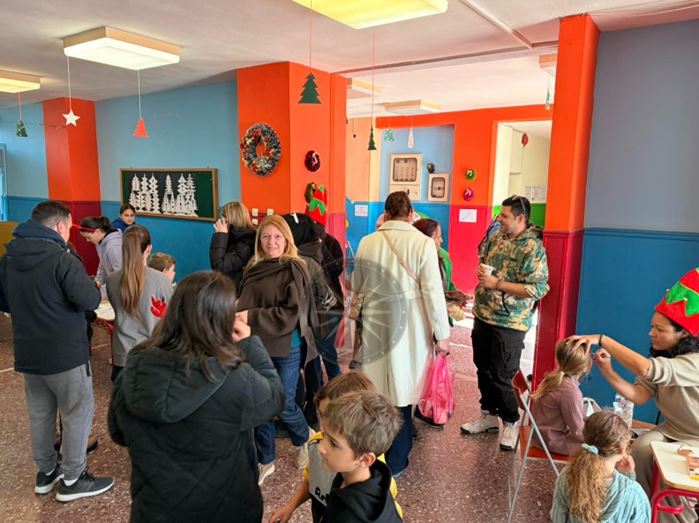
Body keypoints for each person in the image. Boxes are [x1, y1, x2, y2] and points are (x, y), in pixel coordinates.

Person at [108, 271, 284, 522]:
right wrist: (249, 344)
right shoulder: (234, 378)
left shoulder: (132, 372)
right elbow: (274, 399)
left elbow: (119, 433)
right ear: (222, 318)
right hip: (226, 509)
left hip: (156, 509)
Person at [0, 200, 114, 501]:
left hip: (28, 352)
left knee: (40, 413)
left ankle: (47, 472)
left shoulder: (9, 258)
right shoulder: (62, 259)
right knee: (77, 412)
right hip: (66, 354)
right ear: (60, 226)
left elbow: (4, 300)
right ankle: (74, 478)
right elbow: (89, 300)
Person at [573, 267, 699, 523]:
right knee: (639, 450)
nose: (651, 333)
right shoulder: (664, 355)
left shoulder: (693, 362)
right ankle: (640, 511)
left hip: (695, 437)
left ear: (684, 333)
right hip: (673, 430)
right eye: (652, 327)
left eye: (660, 330)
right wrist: (607, 370)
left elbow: (645, 368)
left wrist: (602, 339)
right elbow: (639, 395)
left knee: (669, 474)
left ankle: (675, 518)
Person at [352, 191, 451, 476]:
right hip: (411, 325)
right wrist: (442, 334)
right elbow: (432, 292)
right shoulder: (423, 243)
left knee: (378, 390)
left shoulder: (367, 242)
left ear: (385, 214)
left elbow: (357, 284)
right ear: (410, 215)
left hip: (376, 321)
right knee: (403, 393)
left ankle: (376, 454)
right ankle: (396, 460)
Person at [460, 195, 549, 452]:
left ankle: (511, 421)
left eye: (505, 216)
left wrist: (497, 284)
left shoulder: (532, 247)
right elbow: (486, 263)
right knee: (483, 368)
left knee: (502, 375)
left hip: (510, 321)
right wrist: (484, 275)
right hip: (483, 313)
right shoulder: (497, 237)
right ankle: (488, 415)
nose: (499, 219)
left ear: (520, 218)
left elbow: (538, 288)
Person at [236, 215, 318, 485]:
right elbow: (245, 304)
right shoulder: (254, 268)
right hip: (257, 345)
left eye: (277, 237)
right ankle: (266, 459)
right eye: (266, 236)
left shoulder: (294, 268)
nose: (271, 242)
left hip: (287, 346)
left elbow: (291, 314)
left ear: (287, 240)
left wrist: (251, 316)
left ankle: (304, 437)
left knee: (282, 404)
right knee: (260, 403)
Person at [269, 372, 402, 523]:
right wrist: (290, 506)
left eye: (335, 422)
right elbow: (311, 479)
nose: (321, 444)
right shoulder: (318, 444)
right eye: (323, 416)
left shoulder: (377, 481)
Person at [318, 391, 404, 522]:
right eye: (324, 435)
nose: (320, 447)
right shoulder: (354, 474)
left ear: (365, 459)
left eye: (333, 444)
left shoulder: (351, 518)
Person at [550, 411, 650, 523]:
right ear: (623, 450)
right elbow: (630, 498)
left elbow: (558, 519)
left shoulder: (565, 479)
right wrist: (629, 477)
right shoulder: (635, 493)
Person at [106, 225, 174, 382]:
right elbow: (171, 318)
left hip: (122, 356)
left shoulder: (112, 279)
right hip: (153, 355)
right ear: (149, 248)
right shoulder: (161, 280)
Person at [531, 338, 591, 455]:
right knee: (601, 449)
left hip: (540, 437)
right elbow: (578, 431)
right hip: (551, 442)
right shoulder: (570, 391)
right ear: (585, 367)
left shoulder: (553, 378)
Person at [209, 200, 256, 291]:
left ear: (232, 220)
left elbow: (219, 266)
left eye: (224, 219)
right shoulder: (233, 237)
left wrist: (220, 235)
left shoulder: (246, 241)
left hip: (236, 291)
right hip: (228, 287)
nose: (221, 222)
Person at [78, 216, 123, 297]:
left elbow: (121, 277)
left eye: (88, 237)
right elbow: (102, 265)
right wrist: (97, 282)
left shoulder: (114, 247)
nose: (87, 240)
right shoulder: (100, 242)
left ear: (98, 232)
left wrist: (101, 292)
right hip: (114, 287)